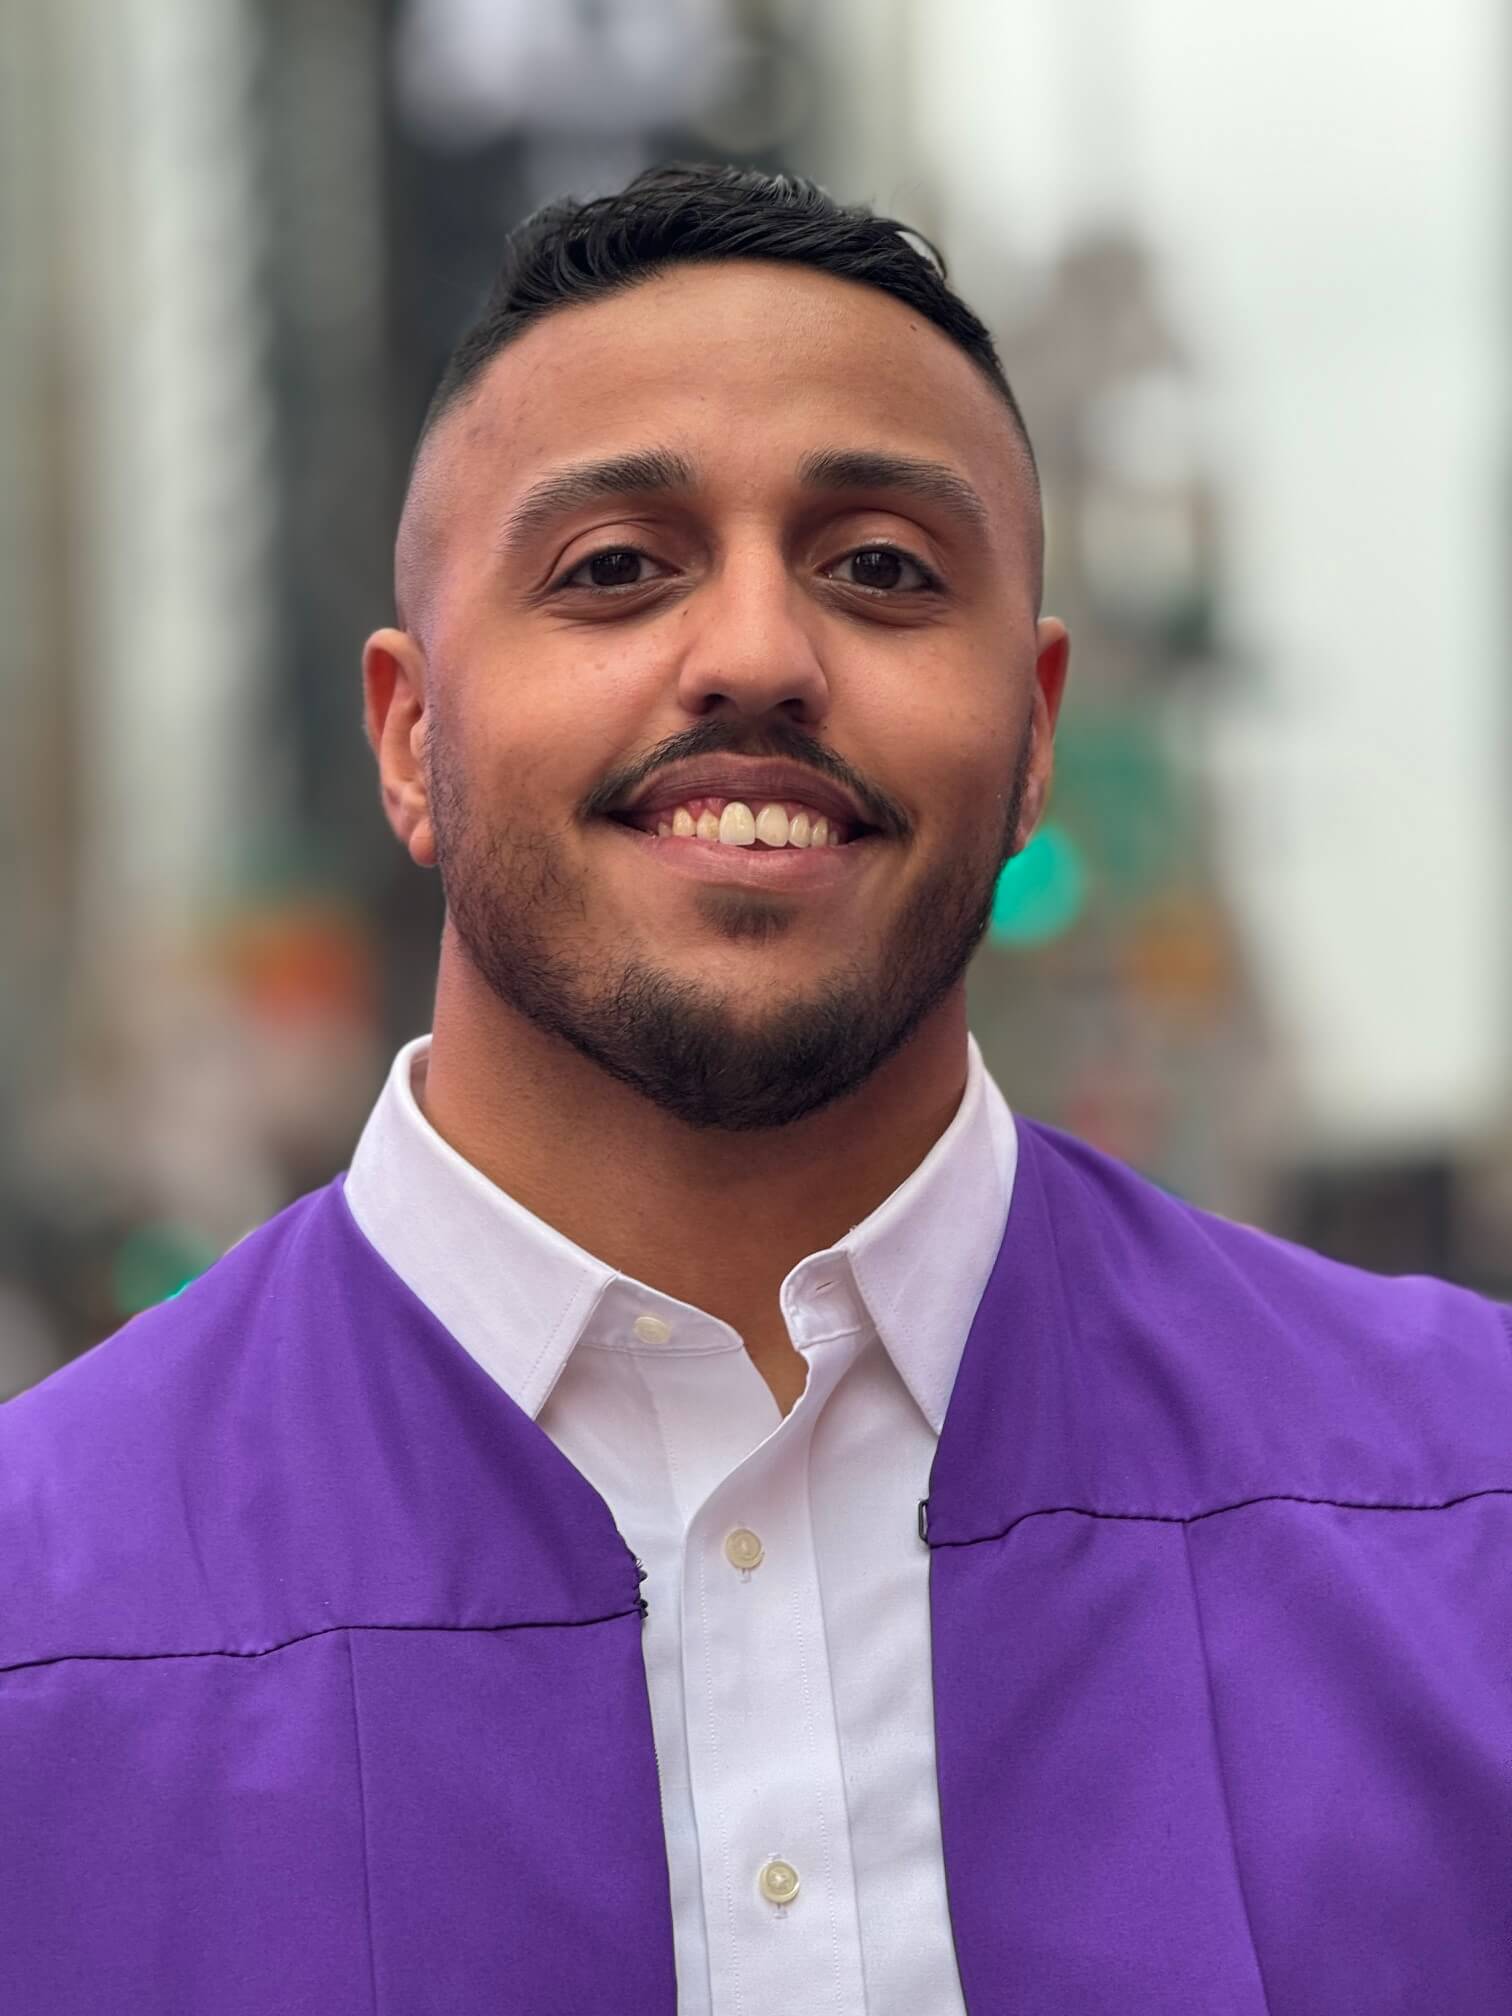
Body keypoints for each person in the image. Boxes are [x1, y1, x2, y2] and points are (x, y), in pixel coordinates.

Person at [4, 162, 1510, 2016]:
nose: (756, 659)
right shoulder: (38, 1626)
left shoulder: (1470, 1518)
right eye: (614, 570)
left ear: (1035, 737)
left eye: (881, 570)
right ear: (411, 735)